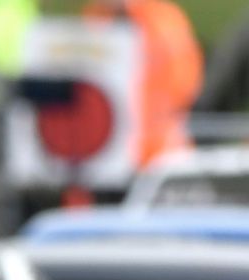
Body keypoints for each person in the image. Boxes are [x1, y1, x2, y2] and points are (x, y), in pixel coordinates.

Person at [81, 0, 202, 167]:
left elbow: (184, 85)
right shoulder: (96, 18)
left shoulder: (161, 19)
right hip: (104, 153)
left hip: (158, 152)